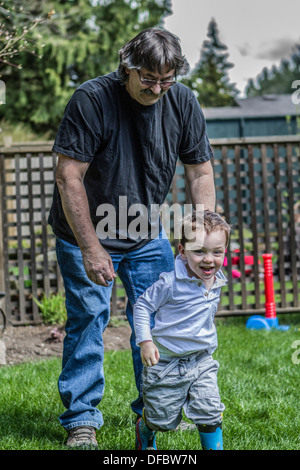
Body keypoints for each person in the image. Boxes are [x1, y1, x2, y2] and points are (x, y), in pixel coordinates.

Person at [48, 28, 215, 449]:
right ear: (128, 67)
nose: (157, 89)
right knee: (89, 320)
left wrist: (201, 235)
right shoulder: (92, 99)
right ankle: (82, 420)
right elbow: (70, 176)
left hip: (144, 234)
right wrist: (90, 246)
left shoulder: (183, 102)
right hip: (85, 231)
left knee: (160, 320)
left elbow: (200, 171)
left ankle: (156, 409)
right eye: (148, 78)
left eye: (167, 80)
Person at [133, 210, 230, 450]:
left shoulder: (216, 278)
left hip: (202, 361)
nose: (209, 259)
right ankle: (144, 428)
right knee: (162, 420)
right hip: (166, 364)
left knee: (210, 412)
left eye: (217, 252)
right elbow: (143, 305)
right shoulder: (169, 283)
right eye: (199, 251)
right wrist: (145, 341)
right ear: (182, 250)